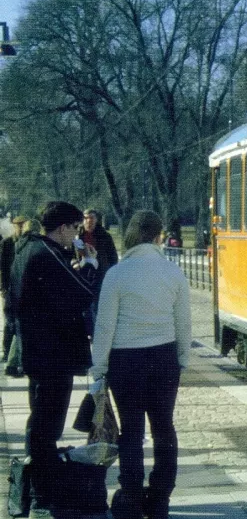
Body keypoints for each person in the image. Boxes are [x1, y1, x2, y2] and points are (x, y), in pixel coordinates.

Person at [90, 210, 190, 519]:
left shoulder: (118, 274)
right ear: (160, 236)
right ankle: (160, 499)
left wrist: (99, 368)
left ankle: (131, 497)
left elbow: (104, 326)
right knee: (164, 428)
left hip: (125, 360)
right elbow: (183, 323)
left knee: (131, 430)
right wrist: (182, 359)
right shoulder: (173, 272)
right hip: (164, 357)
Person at [10, 201, 99, 519]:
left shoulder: (27, 250)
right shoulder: (46, 253)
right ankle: (41, 497)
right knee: (47, 426)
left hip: (37, 351)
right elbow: (81, 293)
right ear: (62, 228)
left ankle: (38, 493)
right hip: (53, 355)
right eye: (75, 229)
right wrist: (89, 264)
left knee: (40, 423)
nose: (76, 234)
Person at [0, 215, 27, 367]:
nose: (21, 228)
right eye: (19, 225)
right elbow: (3, 268)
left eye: (24, 225)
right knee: (9, 321)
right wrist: (3, 288)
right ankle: (6, 351)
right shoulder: (7, 243)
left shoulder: (27, 243)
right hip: (10, 287)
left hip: (23, 288)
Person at [80, 209, 120, 275]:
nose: (88, 221)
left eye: (91, 218)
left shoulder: (105, 236)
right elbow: (70, 255)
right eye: (86, 218)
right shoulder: (77, 236)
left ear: (96, 220)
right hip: (81, 273)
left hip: (100, 273)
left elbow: (113, 258)